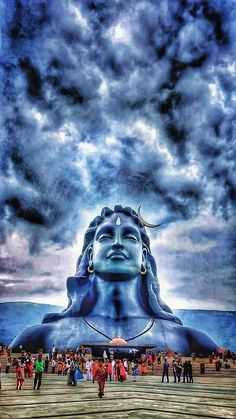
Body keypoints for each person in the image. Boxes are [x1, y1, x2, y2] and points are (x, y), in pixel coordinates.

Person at [9, 206, 219, 355]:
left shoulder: (189, 339)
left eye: (129, 237)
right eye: (106, 236)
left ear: (144, 258)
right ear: (90, 256)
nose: (117, 243)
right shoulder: (41, 336)